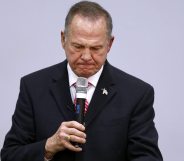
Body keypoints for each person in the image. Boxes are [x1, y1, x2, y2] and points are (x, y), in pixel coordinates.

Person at [1, 1, 163, 161]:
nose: (86, 57)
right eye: (78, 46)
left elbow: (148, 157)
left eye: (95, 48)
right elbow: (9, 155)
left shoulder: (137, 94)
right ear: (63, 39)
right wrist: (48, 147)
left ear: (109, 44)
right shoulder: (33, 87)